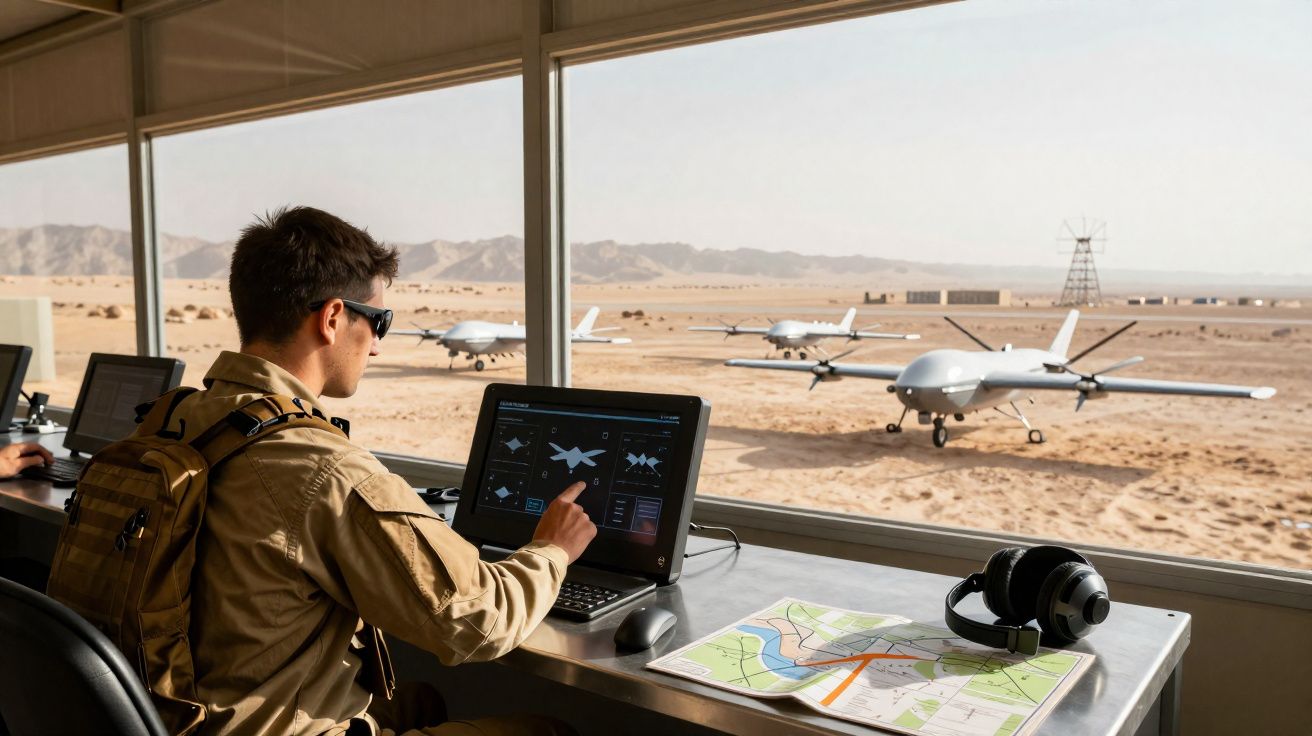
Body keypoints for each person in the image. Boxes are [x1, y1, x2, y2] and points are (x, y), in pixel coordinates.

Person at [179, 206, 596, 736]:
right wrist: (552, 550)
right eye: (379, 321)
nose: (377, 344)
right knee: (548, 731)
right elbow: (476, 623)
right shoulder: (322, 469)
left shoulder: (174, 422)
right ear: (332, 319)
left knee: (417, 700)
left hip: (177, 713)